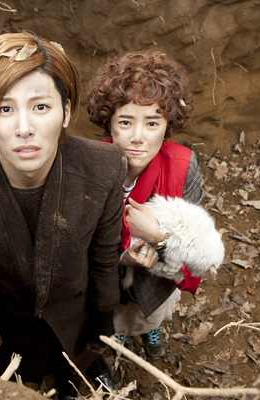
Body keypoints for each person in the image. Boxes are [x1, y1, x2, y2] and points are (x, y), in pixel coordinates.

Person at [0, 32, 125, 398]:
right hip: (11, 316)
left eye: (40, 107)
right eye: (5, 108)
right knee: (28, 364)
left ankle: (80, 374)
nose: (24, 128)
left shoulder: (105, 168)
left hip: (75, 310)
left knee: (77, 358)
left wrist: (103, 318)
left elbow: (104, 254)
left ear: (66, 112)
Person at [86, 51, 204, 361]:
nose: (138, 137)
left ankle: (150, 328)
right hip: (106, 285)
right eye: (126, 122)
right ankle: (122, 334)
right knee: (117, 319)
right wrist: (121, 258)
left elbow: (196, 248)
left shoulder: (183, 167)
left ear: (167, 126)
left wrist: (159, 238)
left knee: (150, 314)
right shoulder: (88, 170)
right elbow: (76, 249)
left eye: (152, 123)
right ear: (109, 124)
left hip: (154, 284)